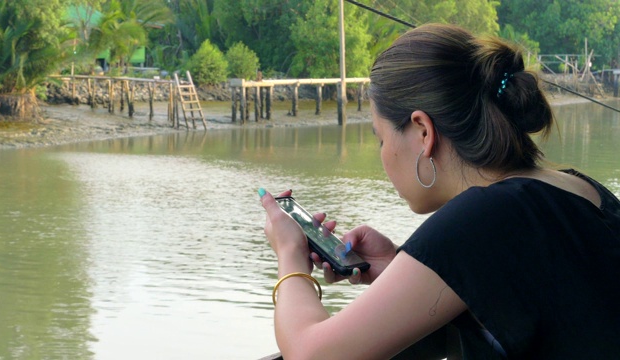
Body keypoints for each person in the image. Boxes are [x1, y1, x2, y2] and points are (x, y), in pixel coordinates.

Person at [258, 23, 620, 359]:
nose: (383, 154)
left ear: (423, 132)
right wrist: (409, 269)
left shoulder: (480, 217)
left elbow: (310, 353)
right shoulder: (577, 187)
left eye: (381, 138)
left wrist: (290, 252)